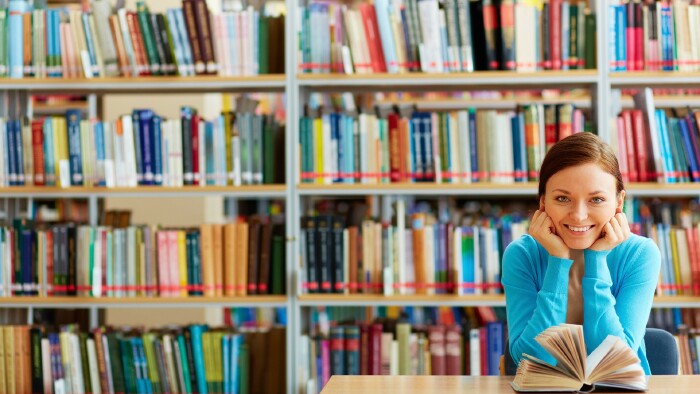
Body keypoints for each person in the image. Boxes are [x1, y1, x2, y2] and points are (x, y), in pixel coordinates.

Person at [502, 132, 661, 374]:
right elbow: (531, 358)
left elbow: (615, 362)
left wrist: (597, 260)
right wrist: (557, 261)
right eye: (563, 198)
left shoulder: (640, 254)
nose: (578, 215)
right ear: (543, 202)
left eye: (596, 199)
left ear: (619, 203)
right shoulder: (522, 255)